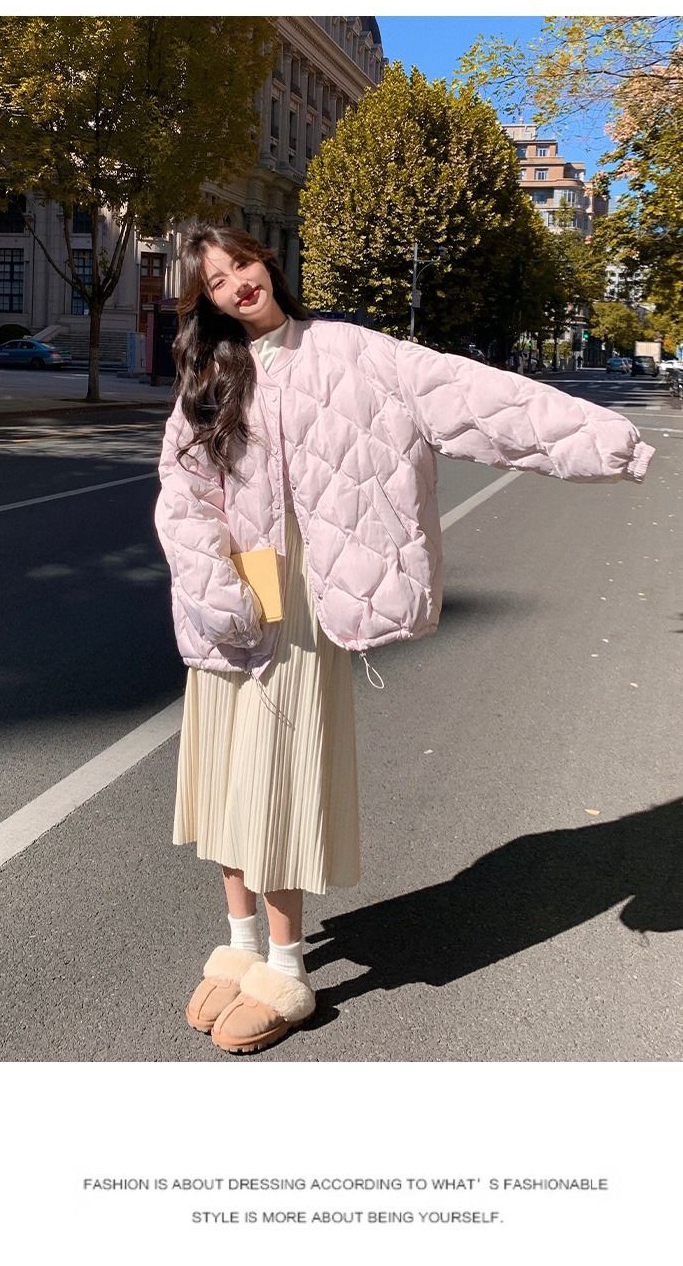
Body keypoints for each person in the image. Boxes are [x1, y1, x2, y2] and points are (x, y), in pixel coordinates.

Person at [154, 223, 655, 1056]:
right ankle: (239, 945)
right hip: (227, 602)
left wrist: (609, 440)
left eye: (241, 262)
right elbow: (183, 494)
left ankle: (285, 964)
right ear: (204, 302)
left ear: (266, 262)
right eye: (215, 280)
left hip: (302, 606)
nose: (238, 282)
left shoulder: (353, 352)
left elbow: (477, 398)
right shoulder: (208, 379)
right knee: (221, 776)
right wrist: (215, 590)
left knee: (278, 778)